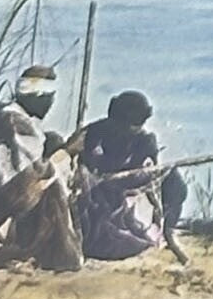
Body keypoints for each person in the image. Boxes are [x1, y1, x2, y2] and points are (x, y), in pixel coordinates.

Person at [0, 64, 83, 272]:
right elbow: (29, 181)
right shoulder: (14, 121)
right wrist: (67, 152)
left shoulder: (10, 117)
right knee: (52, 187)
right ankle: (55, 255)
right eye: (49, 97)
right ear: (38, 96)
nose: (51, 104)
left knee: (54, 143)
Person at [77, 90, 189, 264]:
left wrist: (147, 172)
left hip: (130, 190)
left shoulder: (145, 140)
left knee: (174, 182)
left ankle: (168, 232)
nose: (136, 128)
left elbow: (143, 173)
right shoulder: (94, 133)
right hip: (96, 193)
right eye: (132, 123)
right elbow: (82, 160)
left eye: (140, 122)